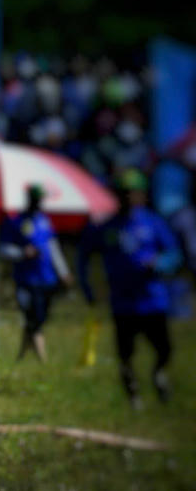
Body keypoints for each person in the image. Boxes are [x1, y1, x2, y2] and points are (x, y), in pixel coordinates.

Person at [78, 169, 183, 407]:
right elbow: (84, 255)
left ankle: (159, 373)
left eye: (132, 193)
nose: (128, 198)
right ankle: (133, 393)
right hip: (123, 302)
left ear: (142, 195)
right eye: (123, 193)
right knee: (125, 354)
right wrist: (87, 288)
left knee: (164, 349)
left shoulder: (153, 222)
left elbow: (174, 253)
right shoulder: (106, 227)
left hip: (153, 300)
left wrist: (160, 263)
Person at [0, 184, 71, 361]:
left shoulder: (44, 221)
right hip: (26, 279)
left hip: (47, 278)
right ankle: (42, 357)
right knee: (33, 317)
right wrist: (24, 253)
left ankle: (22, 354)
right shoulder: (15, 221)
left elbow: (53, 248)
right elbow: (3, 249)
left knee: (40, 318)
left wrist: (63, 272)